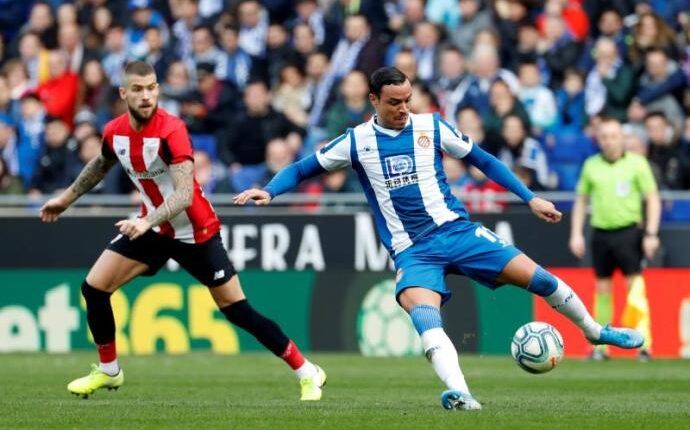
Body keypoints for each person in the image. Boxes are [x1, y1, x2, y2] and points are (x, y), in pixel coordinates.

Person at [234, 67, 645, 410]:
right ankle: (462, 394)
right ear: (373, 100)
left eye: (407, 99)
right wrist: (269, 190)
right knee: (425, 317)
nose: (403, 108)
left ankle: (593, 331)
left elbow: (483, 160)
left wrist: (529, 197)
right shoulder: (356, 141)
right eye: (394, 102)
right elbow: (304, 168)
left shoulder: (431, 126)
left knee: (540, 279)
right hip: (413, 251)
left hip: (458, 231)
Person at [38, 61, 326, 401]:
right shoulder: (114, 132)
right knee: (94, 288)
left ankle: (307, 370)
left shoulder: (171, 130)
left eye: (151, 88)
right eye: (138, 89)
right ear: (123, 93)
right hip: (154, 228)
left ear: (158, 89)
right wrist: (65, 199)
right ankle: (109, 371)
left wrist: (146, 221)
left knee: (236, 309)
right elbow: (101, 164)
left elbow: (184, 193)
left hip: (195, 232)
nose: (146, 96)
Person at [570, 117, 661, 361]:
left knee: (634, 287)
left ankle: (643, 344)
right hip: (600, 232)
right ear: (599, 140)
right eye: (604, 137)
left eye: (613, 136)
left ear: (622, 138)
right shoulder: (591, 165)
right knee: (602, 288)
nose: (609, 141)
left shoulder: (637, 164)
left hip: (629, 231)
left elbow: (652, 198)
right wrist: (576, 233)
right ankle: (601, 347)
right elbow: (581, 201)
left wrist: (651, 233)